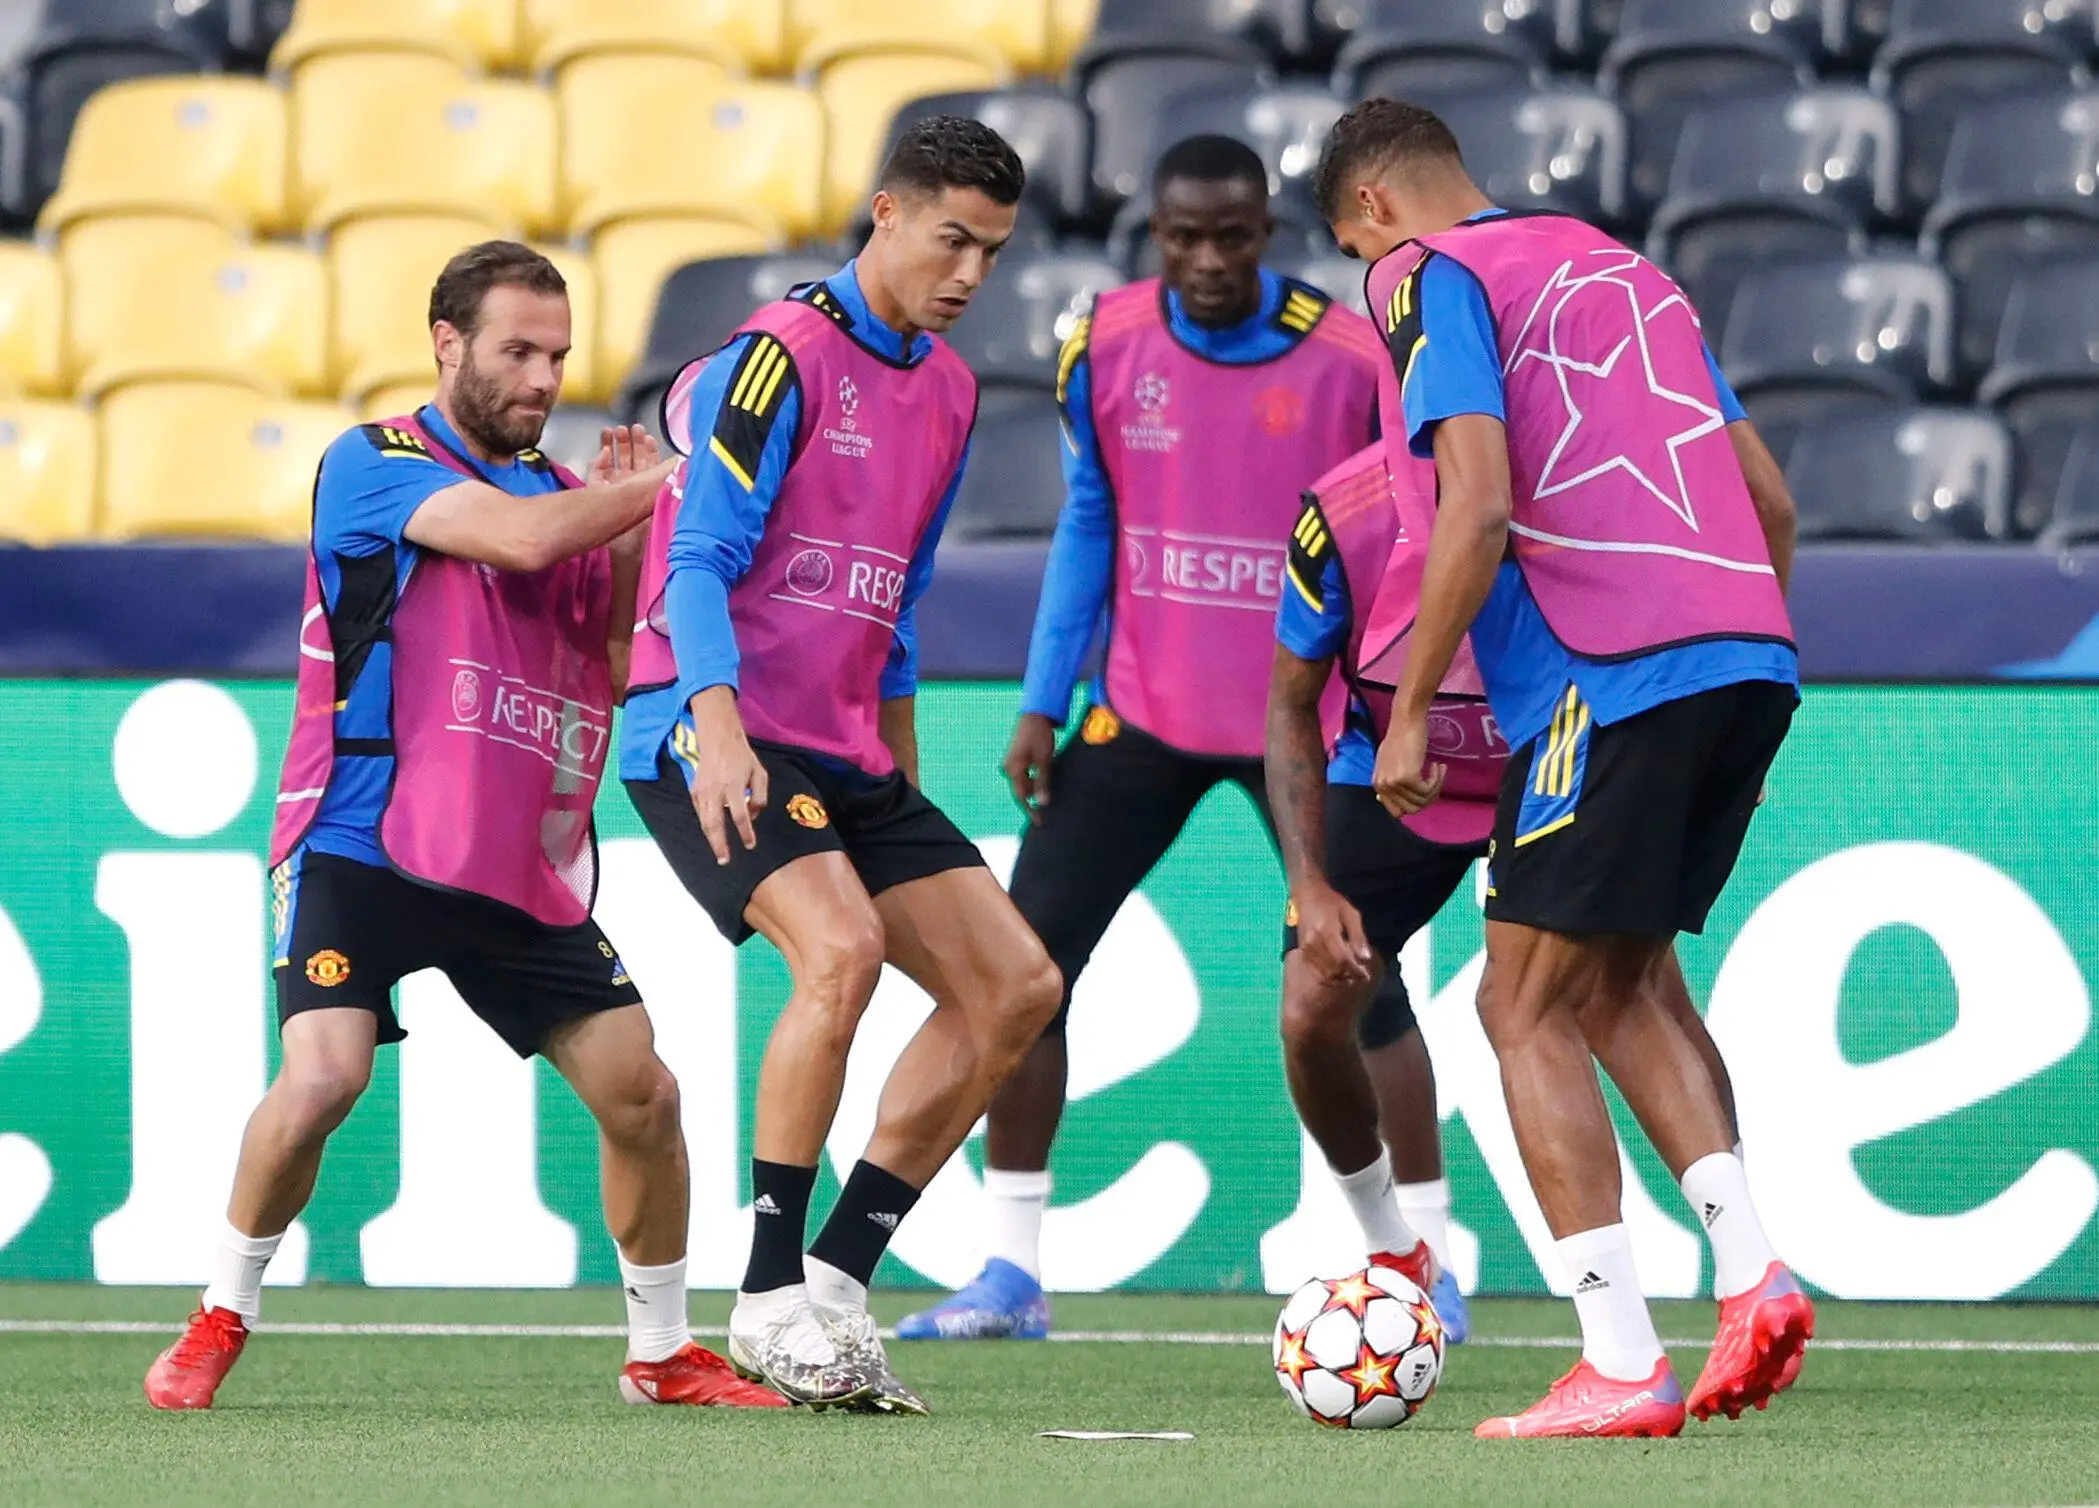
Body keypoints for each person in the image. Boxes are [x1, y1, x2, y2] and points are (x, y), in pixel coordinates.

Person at [144, 242, 783, 1412]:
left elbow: (604, 660)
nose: (543, 378)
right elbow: (523, 540)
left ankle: (659, 1352)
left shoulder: (568, 495)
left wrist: (626, 550)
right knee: (323, 1079)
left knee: (644, 1095)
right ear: (448, 343)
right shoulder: (374, 459)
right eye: (518, 351)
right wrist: (678, 477)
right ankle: (220, 1312)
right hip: (361, 834)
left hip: (512, 859)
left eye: (558, 356)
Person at [892, 135, 1453, 1343]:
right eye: (1182, 237)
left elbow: (1406, 531)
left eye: (1230, 236)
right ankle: (1010, 1271)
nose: (1206, 259)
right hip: (1139, 709)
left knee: (1357, 979)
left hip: (1300, 719)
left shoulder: (1347, 353)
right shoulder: (1103, 341)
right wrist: (1041, 699)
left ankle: (1427, 1258)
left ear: (1266, 233)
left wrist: (1396, 700)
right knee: (1027, 973)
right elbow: (1090, 519)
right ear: (1152, 232)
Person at [1314, 99, 1811, 1439]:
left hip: (1602, 669)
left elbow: (1473, 500)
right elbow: (1769, 503)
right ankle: (1750, 1268)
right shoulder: (1622, 268)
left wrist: (1408, 710)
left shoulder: (1421, 273)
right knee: (1617, 984)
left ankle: (1616, 1355)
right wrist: (1734, 676)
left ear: (1369, 209)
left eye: (1354, 248)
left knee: (1517, 1000)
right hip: (1744, 651)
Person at [620, 118, 1061, 1414]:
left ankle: (836, 1284)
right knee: (842, 949)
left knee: (1014, 986)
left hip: (844, 737)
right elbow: (697, 557)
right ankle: (764, 1298)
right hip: (709, 717)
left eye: (992, 250)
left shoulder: (953, 389)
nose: (971, 273)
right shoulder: (779, 356)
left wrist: (899, 773)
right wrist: (716, 727)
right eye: (952, 240)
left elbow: (898, 603)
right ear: (886, 214)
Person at [1266, 442, 1502, 1342]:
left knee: (1584, 1002)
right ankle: (1398, 1251)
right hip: (1391, 778)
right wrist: (1309, 883)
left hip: (1544, 764)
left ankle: (1737, 1263)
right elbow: (1291, 704)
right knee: (1311, 1007)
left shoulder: (1563, 486)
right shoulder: (1340, 512)